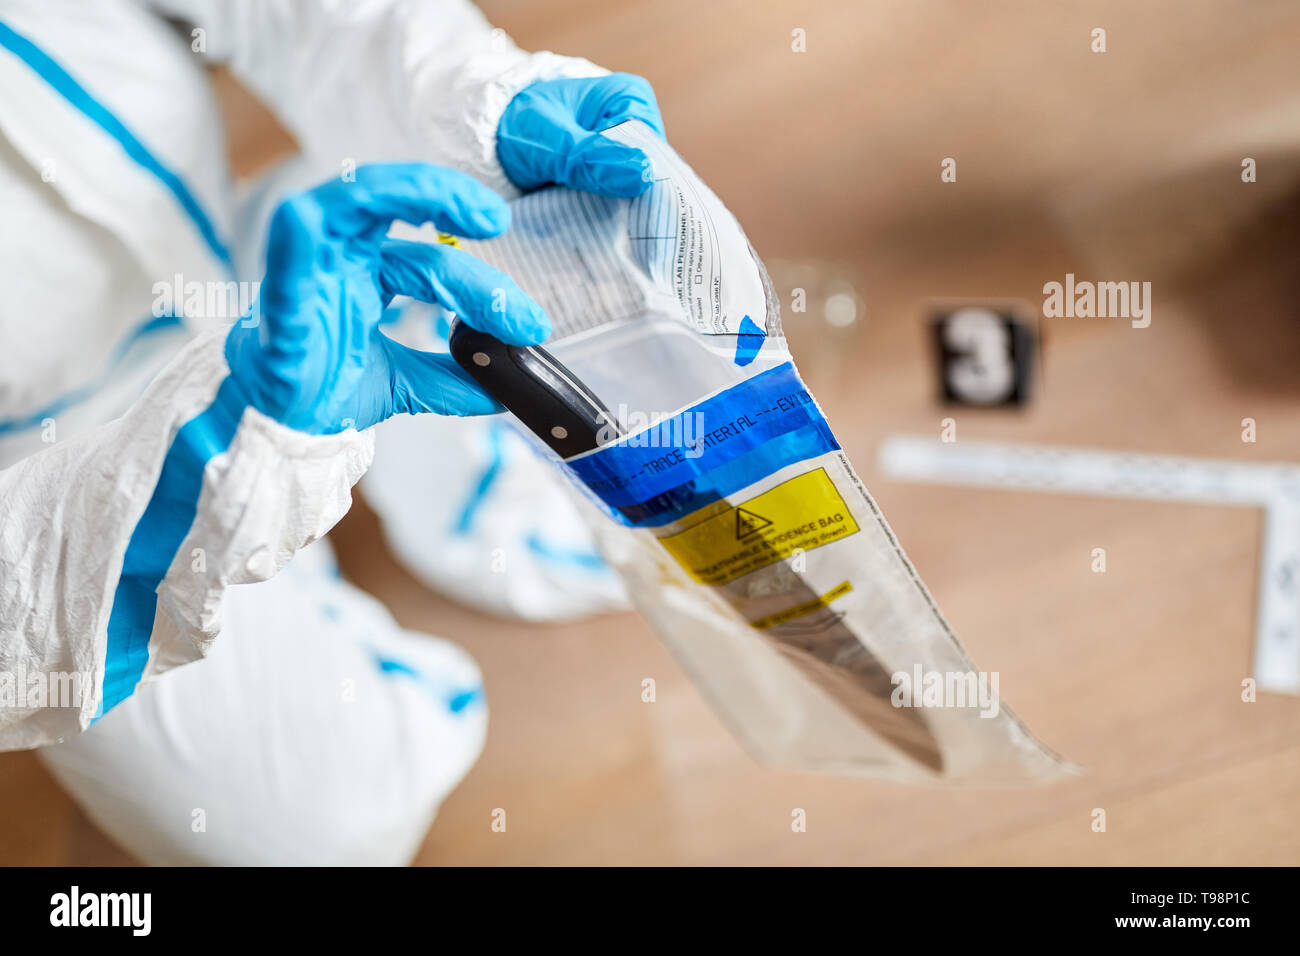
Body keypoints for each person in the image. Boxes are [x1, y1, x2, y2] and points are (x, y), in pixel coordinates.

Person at [0, 0, 662, 864]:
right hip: (51, 495)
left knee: (588, 502)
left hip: (252, 267)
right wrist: (209, 455)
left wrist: (478, 102)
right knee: (308, 833)